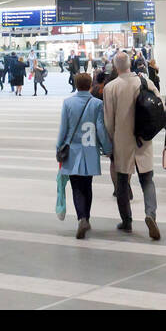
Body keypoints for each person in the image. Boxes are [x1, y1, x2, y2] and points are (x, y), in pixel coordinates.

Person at [102, 51, 162, 240]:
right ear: (130, 64)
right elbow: (160, 108)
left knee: (122, 182)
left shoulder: (111, 87)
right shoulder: (144, 82)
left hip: (122, 140)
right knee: (147, 179)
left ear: (115, 67)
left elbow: (108, 120)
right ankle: (150, 214)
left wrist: (111, 140)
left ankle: (127, 221)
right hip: (143, 139)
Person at [56, 71, 113, 239]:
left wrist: (59, 147)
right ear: (90, 85)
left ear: (75, 85)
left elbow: (63, 128)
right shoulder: (96, 104)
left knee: (76, 187)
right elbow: (100, 129)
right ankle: (86, 217)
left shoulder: (68, 103)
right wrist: (108, 148)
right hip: (90, 150)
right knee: (87, 186)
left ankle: (81, 217)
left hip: (72, 151)